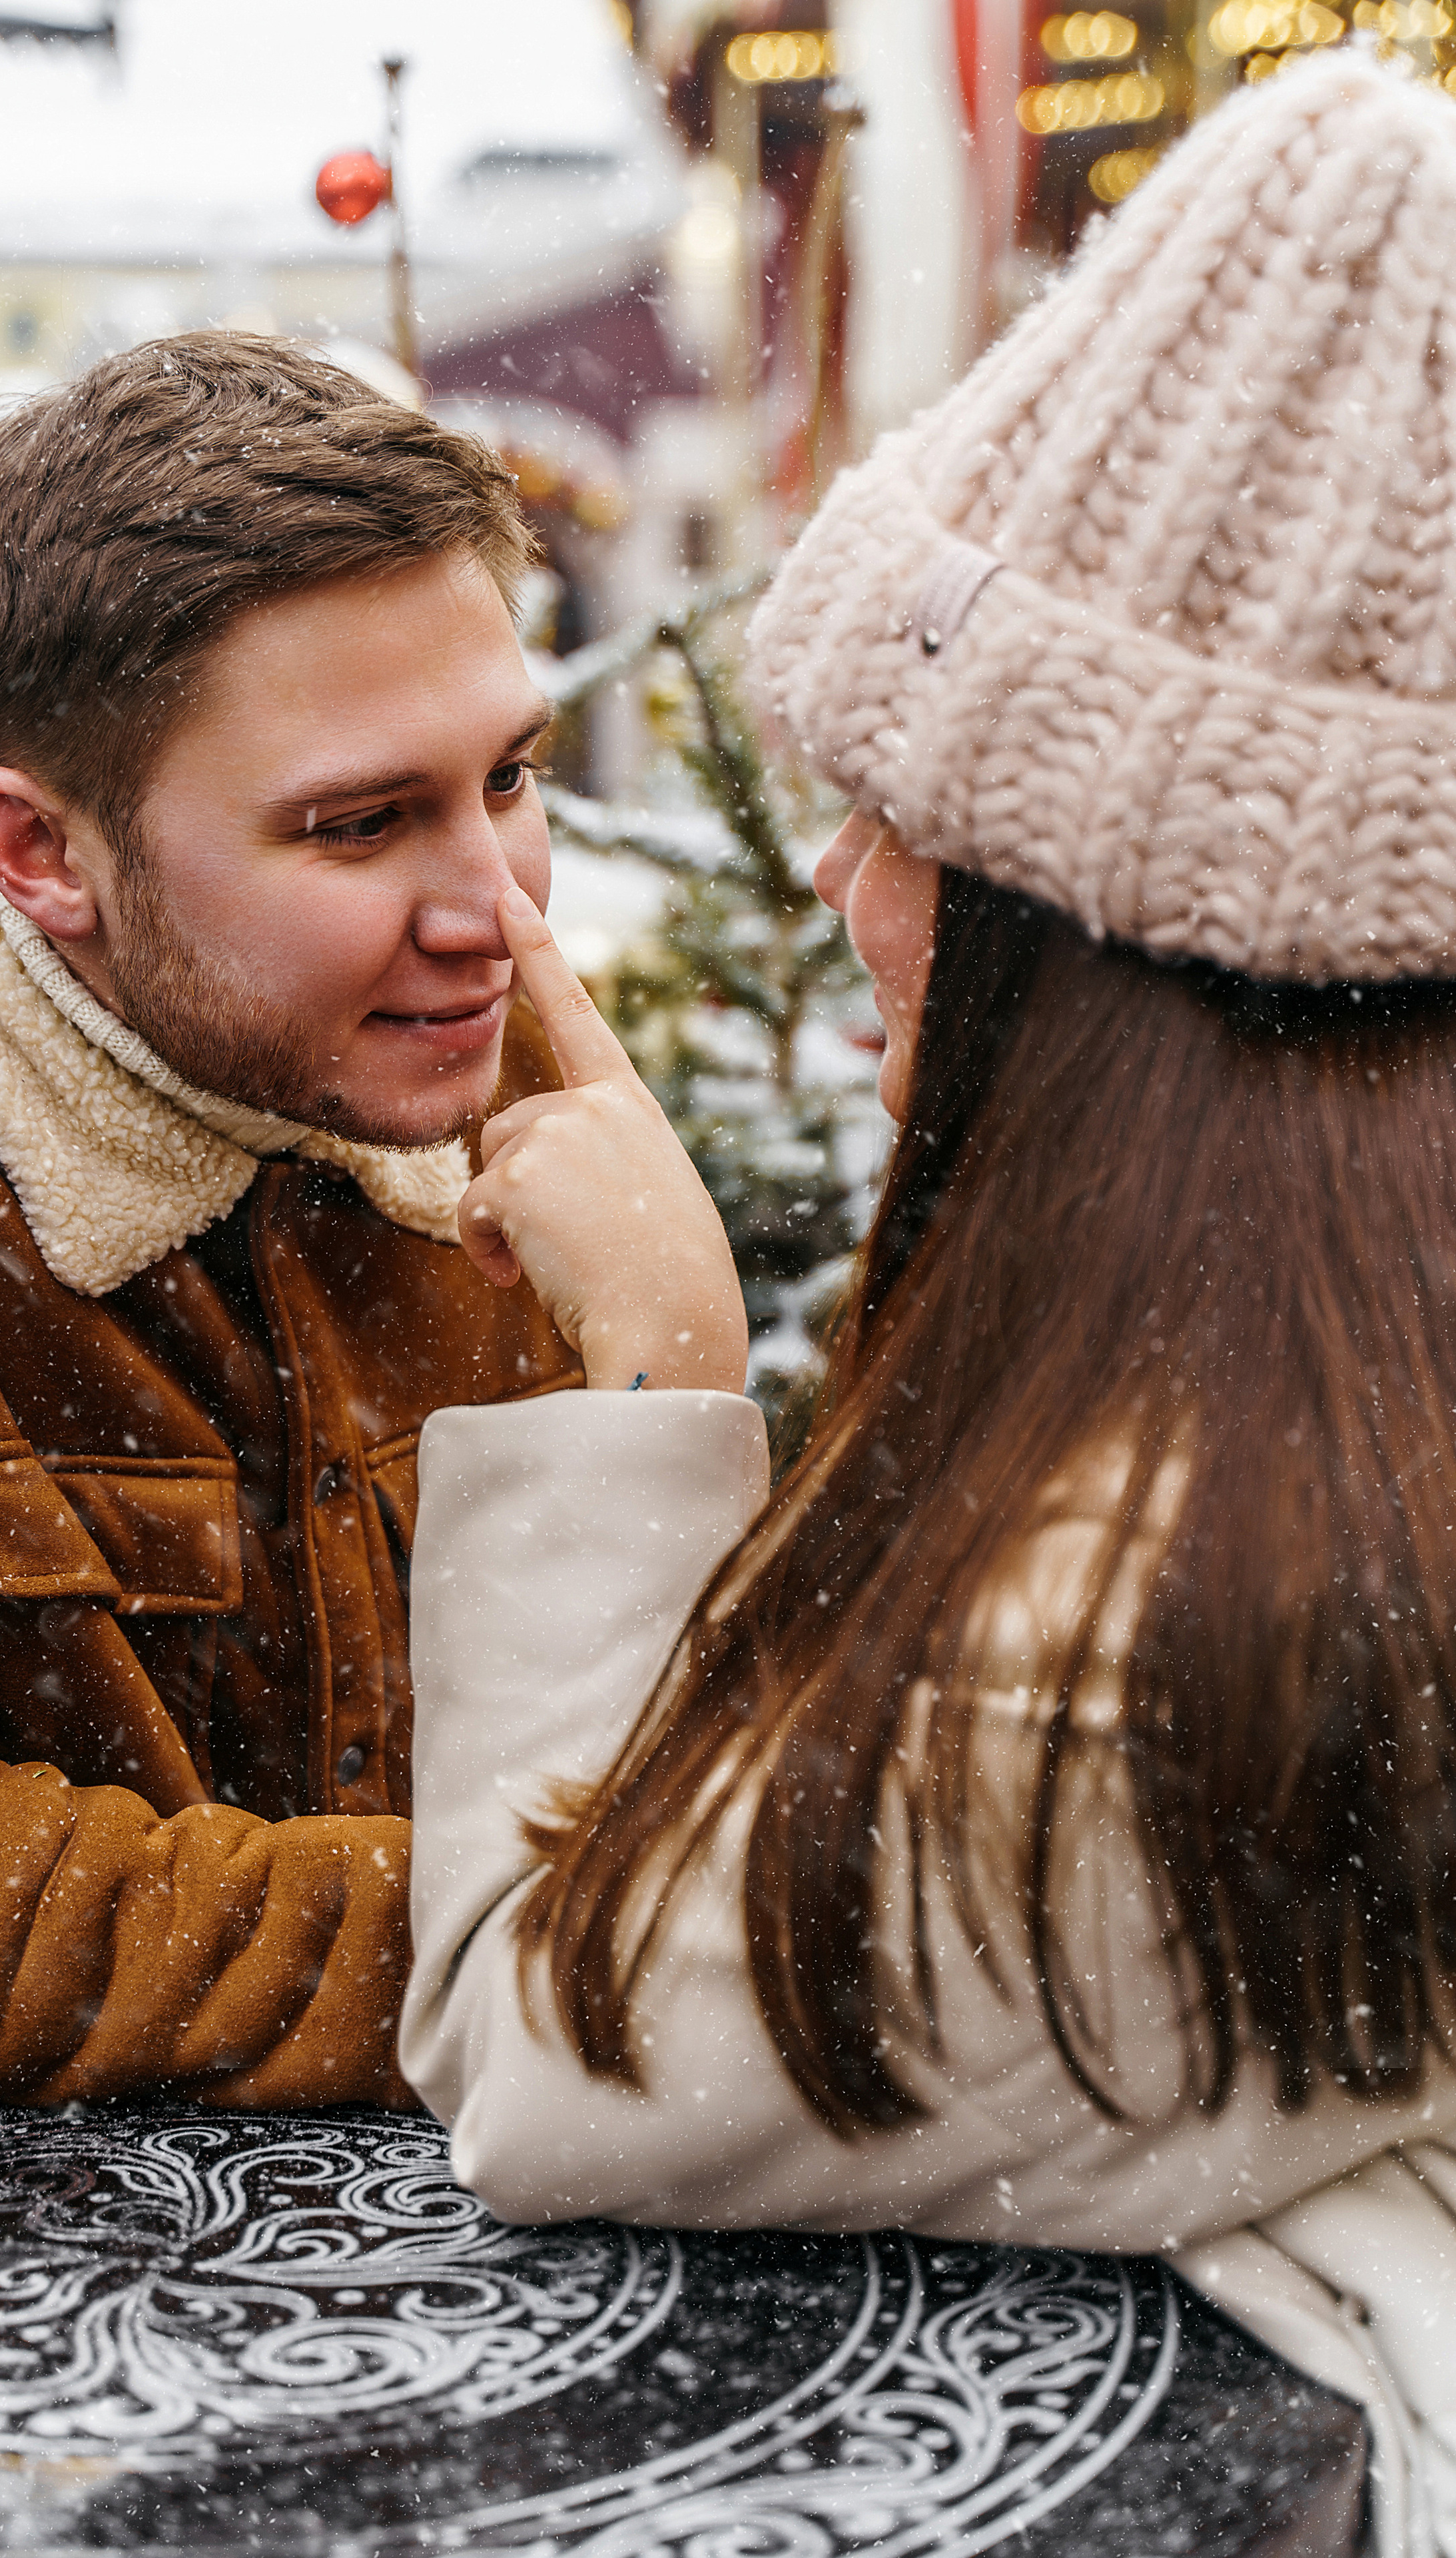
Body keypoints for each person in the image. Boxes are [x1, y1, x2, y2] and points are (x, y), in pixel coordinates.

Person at [400, 57, 1456, 2555]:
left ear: (1115, 952)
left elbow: (559, 2060)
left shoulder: (1188, 1641)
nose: (846, 874)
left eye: (915, 814)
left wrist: (651, 1361)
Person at [0, 332, 580, 2110]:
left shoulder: (506, 1083)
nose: (497, 915)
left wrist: (681, 1369)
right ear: (40, 853)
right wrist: (563, 1939)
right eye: (362, 825)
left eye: (510, 777)